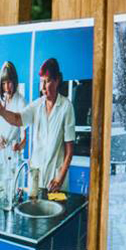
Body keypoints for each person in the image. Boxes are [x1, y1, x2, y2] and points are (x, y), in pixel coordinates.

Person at [0, 58, 75, 194]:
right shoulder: (37, 105)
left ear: (57, 80)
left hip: (56, 182)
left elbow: (69, 152)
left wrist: (60, 178)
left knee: (57, 213)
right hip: (36, 180)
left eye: (47, 81)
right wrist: (2, 111)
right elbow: (18, 119)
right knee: (34, 211)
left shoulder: (66, 107)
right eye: (42, 82)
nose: (43, 87)